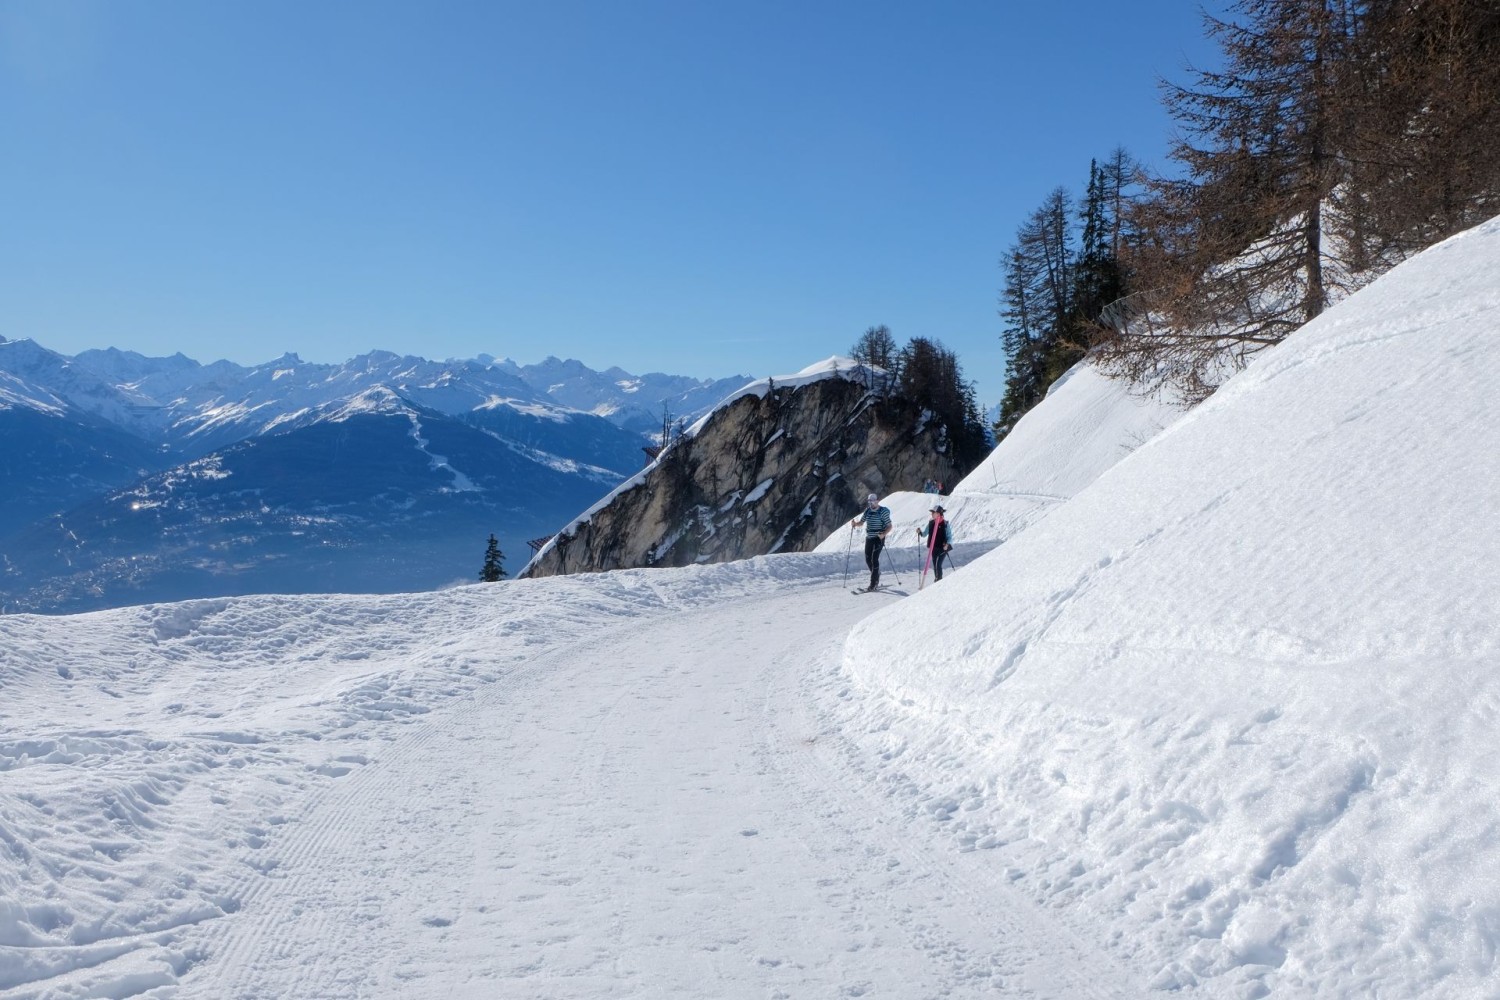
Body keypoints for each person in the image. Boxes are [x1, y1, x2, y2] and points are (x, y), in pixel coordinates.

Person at [850, 493, 893, 591]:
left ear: (877, 501)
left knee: (874, 559)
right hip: (869, 538)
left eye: (873, 501)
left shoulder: (883, 511)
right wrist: (855, 524)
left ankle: (873, 583)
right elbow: (862, 522)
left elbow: (889, 526)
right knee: (868, 559)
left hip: (878, 538)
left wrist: (883, 534)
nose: (871, 503)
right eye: (869, 501)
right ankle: (876, 574)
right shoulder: (868, 511)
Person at [916, 503, 953, 582]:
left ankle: (939, 580)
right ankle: (937, 579)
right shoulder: (931, 523)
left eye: (933, 512)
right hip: (933, 548)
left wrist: (947, 544)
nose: (932, 514)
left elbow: (950, 537)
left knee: (938, 564)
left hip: (942, 548)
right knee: (935, 565)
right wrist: (920, 532)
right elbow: (925, 533)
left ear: (938, 513)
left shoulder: (945, 524)